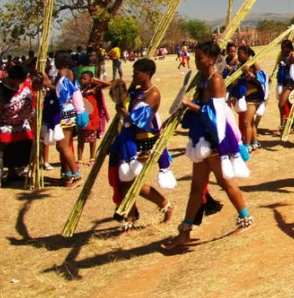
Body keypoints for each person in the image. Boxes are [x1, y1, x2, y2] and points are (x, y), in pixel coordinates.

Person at [163, 42, 252, 250]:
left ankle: (246, 218)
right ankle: (185, 231)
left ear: (212, 59)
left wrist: (189, 105)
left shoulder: (216, 80)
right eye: (195, 57)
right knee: (197, 187)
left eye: (200, 58)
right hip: (201, 138)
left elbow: (216, 114)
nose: (196, 61)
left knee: (225, 182)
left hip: (214, 139)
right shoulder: (203, 80)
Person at [108, 59, 176, 233]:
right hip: (128, 141)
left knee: (133, 182)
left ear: (147, 74)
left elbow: (139, 121)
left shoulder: (153, 94)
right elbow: (121, 99)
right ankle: (130, 220)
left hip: (144, 141)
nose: (134, 76)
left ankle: (165, 205)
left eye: (137, 73)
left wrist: (123, 112)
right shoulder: (137, 92)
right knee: (125, 182)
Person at [40, 50, 88, 187]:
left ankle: (77, 175)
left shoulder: (63, 72)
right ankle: (68, 174)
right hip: (66, 112)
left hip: (65, 112)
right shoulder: (69, 71)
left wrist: (46, 84)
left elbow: (61, 93)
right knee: (62, 146)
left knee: (63, 146)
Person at [0, 63, 35, 182]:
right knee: (5, 145)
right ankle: (8, 171)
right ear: (18, 79)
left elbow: (36, 88)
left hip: (20, 121)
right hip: (2, 122)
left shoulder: (25, 84)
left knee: (25, 143)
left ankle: (15, 171)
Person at [77, 71, 110, 166]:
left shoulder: (94, 89)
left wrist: (96, 80)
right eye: (81, 78)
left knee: (92, 140)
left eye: (85, 79)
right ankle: (79, 159)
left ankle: (92, 157)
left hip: (93, 118)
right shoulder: (79, 90)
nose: (82, 80)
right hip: (82, 118)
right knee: (81, 140)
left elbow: (108, 84)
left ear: (90, 79)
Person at [274, 39, 294, 135]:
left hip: (290, 83)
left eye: (285, 48)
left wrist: (287, 61)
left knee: (281, 105)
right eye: (282, 48)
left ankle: (283, 126)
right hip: (283, 82)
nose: (283, 49)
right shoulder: (282, 55)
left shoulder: (292, 56)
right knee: (290, 104)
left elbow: (293, 68)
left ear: (290, 48)